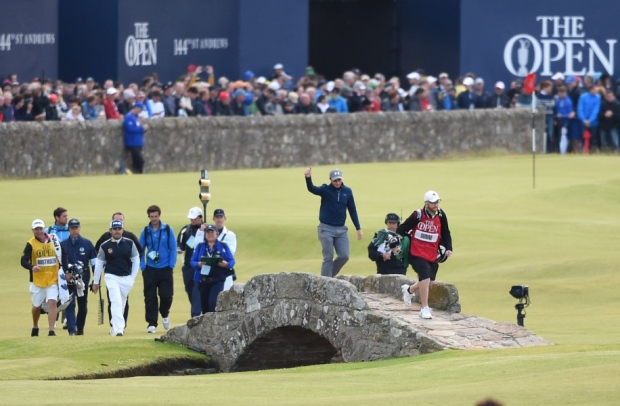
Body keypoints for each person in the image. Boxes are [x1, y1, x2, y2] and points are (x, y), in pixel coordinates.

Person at [398, 190, 453, 319]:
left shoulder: (441, 215)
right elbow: (402, 229)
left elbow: (445, 232)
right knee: (425, 277)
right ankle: (424, 308)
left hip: (432, 252)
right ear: (426, 203)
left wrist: (449, 247)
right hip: (416, 252)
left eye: (437, 202)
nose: (435, 205)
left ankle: (409, 290)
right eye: (433, 203)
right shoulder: (417, 215)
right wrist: (410, 238)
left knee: (430, 281)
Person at [304, 167, 363, 277]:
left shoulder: (347, 191)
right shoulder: (325, 189)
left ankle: (329, 276)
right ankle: (326, 281)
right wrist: (308, 177)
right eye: (335, 180)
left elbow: (352, 210)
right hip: (326, 228)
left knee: (344, 256)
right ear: (330, 180)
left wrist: (358, 228)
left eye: (339, 180)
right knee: (328, 257)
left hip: (341, 230)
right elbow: (312, 189)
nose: (337, 182)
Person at [92, 220, 140, 336]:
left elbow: (136, 260)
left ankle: (114, 326)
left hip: (126, 278)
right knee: (116, 301)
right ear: (110, 231)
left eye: (119, 229)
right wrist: (96, 282)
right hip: (111, 276)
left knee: (122, 304)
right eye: (115, 229)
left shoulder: (130, 243)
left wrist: (132, 278)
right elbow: (99, 264)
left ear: (123, 230)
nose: (117, 231)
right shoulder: (105, 245)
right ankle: (119, 329)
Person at [21, 219, 65, 336]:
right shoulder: (30, 244)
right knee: (36, 306)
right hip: (37, 280)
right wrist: (31, 267)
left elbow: (62, 254)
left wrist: (64, 270)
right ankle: (35, 325)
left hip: (52, 278)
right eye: (36, 229)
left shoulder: (54, 240)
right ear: (33, 230)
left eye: (40, 228)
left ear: (44, 229)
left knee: (52, 302)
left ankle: (51, 331)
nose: (39, 231)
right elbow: (23, 260)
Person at [139, 205, 177, 333]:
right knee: (150, 297)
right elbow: (140, 250)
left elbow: (173, 248)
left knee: (166, 296)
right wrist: (143, 266)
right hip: (150, 268)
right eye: (152, 216)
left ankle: (164, 314)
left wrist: (171, 265)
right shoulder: (145, 231)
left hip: (165, 267)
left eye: (156, 216)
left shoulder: (167, 229)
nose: (154, 219)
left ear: (159, 215)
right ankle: (151, 323)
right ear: (148, 217)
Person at [60, 218, 97, 335]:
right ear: (69, 229)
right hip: (68, 279)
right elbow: (59, 264)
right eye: (72, 228)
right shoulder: (63, 245)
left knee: (82, 305)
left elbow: (94, 264)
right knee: (70, 304)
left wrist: (96, 281)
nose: (75, 230)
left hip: (83, 278)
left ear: (79, 228)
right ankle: (72, 330)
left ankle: (80, 328)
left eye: (76, 228)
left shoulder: (87, 243)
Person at [190, 224, 235, 313]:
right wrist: (198, 264)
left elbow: (231, 261)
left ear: (217, 233)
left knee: (213, 303)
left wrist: (226, 265)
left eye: (212, 232)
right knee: (205, 306)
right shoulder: (200, 246)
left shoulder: (223, 246)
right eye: (208, 232)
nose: (210, 234)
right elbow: (192, 261)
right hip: (203, 280)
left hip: (218, 279)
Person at [176, 207, 204, 317]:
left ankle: (196, 314)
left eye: (195, 218)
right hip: (188, 266)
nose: (192, 221)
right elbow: (180, 245)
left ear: (200, 218)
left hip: (201, 266)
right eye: (191, 219)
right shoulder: (185, 230)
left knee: (197, 288)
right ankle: (198, 309)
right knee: (189, 289)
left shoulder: (207, 229)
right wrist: (179, 249)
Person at [212, 208, 237, 290]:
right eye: (217, 217)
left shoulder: (230, 235)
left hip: (224, 267)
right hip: (212, 269)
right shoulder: (208, 233)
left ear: (224, 218)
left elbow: (231, 252)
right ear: (214, 219)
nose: (219, 220)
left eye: (221, 217)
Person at [123, 101, 149, 174]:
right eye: (140, 110)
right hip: (132, 142)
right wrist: (142, 128)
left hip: (138, 142)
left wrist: (143, 129)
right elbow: (131, 129)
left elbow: (137, 128)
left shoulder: (136, 117)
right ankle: (138, 172)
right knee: (140, 160)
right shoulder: (129, 117)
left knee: (136, 161)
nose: (140, 112)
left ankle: (136, 173)